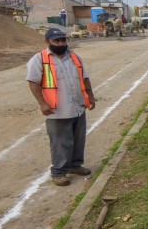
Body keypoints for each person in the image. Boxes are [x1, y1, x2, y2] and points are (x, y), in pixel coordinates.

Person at [26, 28, 97, 186]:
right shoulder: (40, 59)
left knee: (79, 139)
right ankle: (59, 172)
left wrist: (90, 97)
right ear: (47, 42)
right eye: (56, 41)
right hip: (57, 110)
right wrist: (42, 104)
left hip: (77, 107)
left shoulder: (73, 57)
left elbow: (84, 78)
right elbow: (33, 83)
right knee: (60, 142)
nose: (61, 43)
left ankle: (75, 165)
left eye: (63, 40)